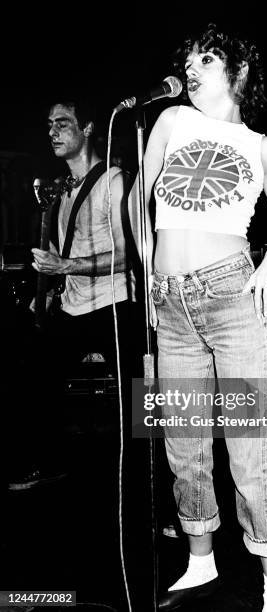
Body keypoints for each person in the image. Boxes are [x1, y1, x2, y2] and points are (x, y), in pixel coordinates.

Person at [135, 23, 267, 611]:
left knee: (248, 448)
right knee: (183, 445)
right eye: (187, 57)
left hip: (236, 300)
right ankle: (201, 561)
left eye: (205, 58)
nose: (191, 66)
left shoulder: (262, 146)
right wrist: (151, 279)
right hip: (172, 303)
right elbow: (141, 199)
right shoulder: (170, 122)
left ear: (236, 72)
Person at [9, 97, 141, 490]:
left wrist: (66, 266)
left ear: (87, 129)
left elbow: (128, 256)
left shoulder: (114, 181)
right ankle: (50, 460)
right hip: (74, 304)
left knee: (138, 399)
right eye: (49, 124)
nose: (52, 131)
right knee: (32, 371)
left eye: (62, 123)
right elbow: (70, 252)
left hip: (114, 304)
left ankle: (151, 484)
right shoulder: (62, 191)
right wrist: (49, 286)